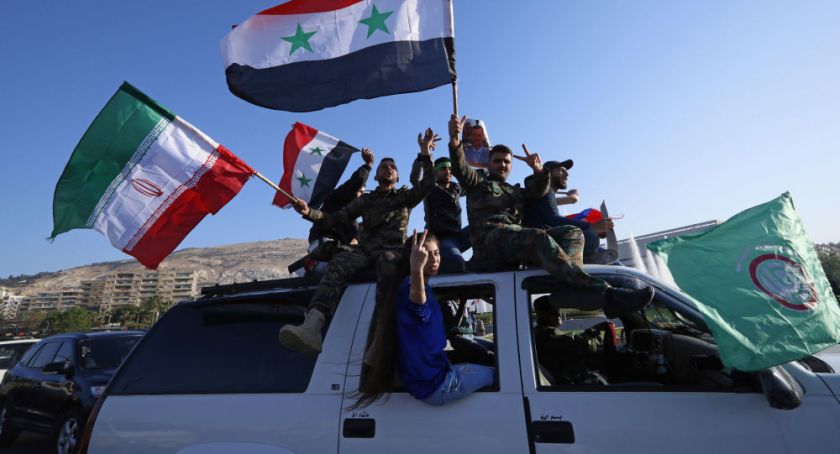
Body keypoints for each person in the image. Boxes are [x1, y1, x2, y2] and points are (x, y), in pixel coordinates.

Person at [447, 114, 653, 314]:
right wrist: (455, 140)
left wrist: (538, 170)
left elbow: (538, 191)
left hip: (513, 243)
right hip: (489, 244)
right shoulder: (477, 183)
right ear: (489, 163)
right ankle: (607, 293)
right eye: (497, 161)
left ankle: (570, 287)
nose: (502, 165)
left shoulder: (515, 191)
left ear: (511, 167)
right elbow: (460, 168)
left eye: (506, 162)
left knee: (573, 233)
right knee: (535, 236)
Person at [278, 131, 437, 355]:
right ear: (376, 176)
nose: (388, 168)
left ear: (397, 177)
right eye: (384, 166)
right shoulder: (366, 201)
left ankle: (380, 339)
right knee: (339, 262)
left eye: (392, 167)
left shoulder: (404, 197)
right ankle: (313, 326)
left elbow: (427, 184)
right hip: (364, 251)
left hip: (390, 251)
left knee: (389, 267)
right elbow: (334, 218)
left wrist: (425, 152)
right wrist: (308, 212)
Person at [396, 230, 495, 405]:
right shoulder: (411, 287)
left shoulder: (427, 289)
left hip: (437, 374)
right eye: (426, 255)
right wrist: (416, 269)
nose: (434, 259)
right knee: (502, 374)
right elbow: (418, 304)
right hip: (435, 385)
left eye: (436, 253)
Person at [523, 160, 618, 264]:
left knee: (597, 245)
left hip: (537, 242)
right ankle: (581, 261)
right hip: (540, 244)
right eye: (561, 170)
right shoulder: (546, 191)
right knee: (591, 237)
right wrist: (591, 226)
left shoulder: (542, 193)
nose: (567, 174)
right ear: (548, 173)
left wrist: (572, 199)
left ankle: (585, 259)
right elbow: (553, 220)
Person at [304, 148, 374, 276]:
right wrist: (367, 166)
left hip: (340, 253)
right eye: (359, 191)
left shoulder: (353, 220)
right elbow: (354, 183)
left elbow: (360, 233)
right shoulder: (336, 199)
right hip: (323, 247)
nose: (360, 195)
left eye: (363, 193)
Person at [532, 295, 612, 385]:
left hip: (564, 375)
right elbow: (581, 344)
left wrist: (592, 331)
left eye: (558, 311)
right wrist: (594, 332)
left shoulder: (540, 332)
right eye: (554, 312)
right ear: (542, 315)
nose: (559, 315)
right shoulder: (547, 335)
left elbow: (571, 340)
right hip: (565, 381)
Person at [411, 156, 470, 271]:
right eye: (443, 168)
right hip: (441, 240)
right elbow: (415, 179)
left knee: (484, 226)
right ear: (435, 172)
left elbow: (474, 183)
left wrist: (486, 161)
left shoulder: (456, 187)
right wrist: (422, 157)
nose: (448, 171)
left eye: (450, 168)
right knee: (457, 263)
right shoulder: (430, 188)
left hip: (459, 236)